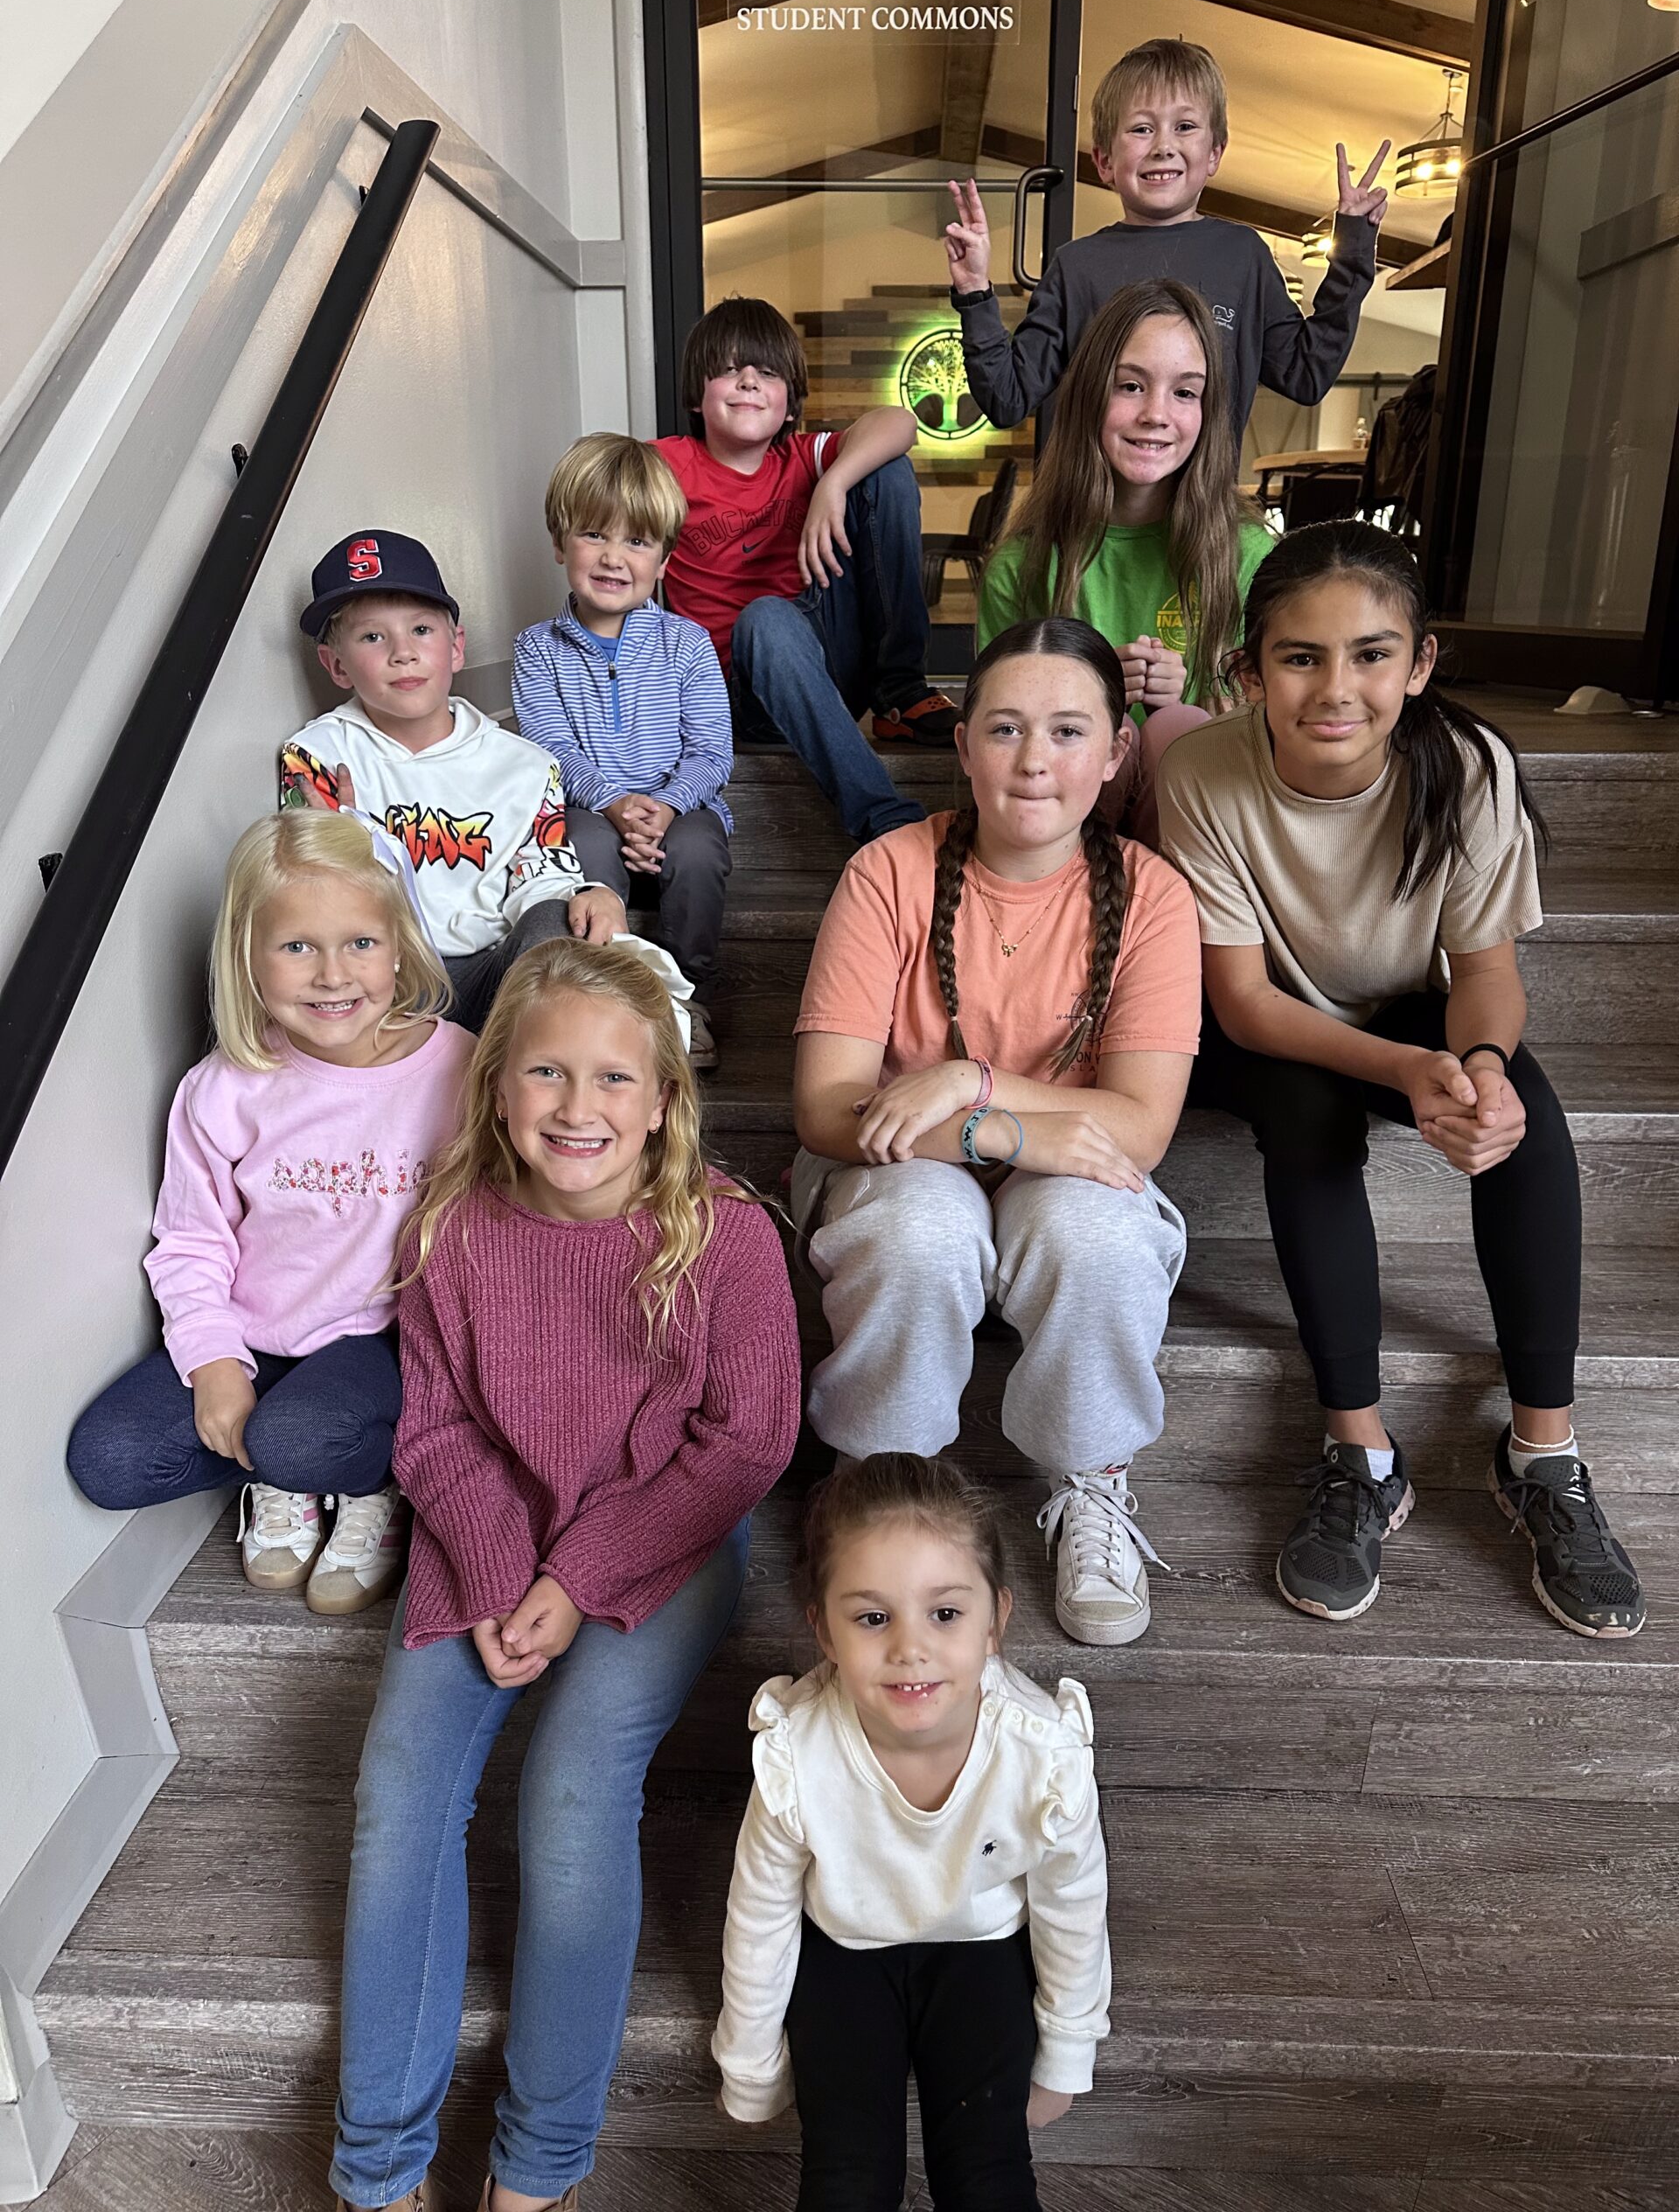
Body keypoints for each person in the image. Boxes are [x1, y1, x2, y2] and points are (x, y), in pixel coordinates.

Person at [330, 939, 802, 2212]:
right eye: (545, 1071)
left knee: (574, 1797)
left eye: (612, 1078)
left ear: (663, 1101)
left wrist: (580, 1573)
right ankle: (378, 2170)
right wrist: (496, 1570)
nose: (577, 1106)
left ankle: (537, 2169)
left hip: (665, 1536)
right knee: (399, 1797)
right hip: (481, 1533)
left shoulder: (728, 1235)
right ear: (497, 1088)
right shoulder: (452, 1227)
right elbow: (434, 1430)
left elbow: (747, 1444)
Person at [1156, 519, 1646, 1637]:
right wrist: (1403, 1068)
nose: (1338, 689)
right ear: (1248, 671)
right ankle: (1361, 1451)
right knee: (1305, 1113)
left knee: (1522, 1111)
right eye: (1301, 657)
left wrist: (1476, 1066)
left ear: (1419, 664)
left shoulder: (1467, 767)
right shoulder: (1203, 773)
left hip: (1410, 1007)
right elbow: (1243, 1003)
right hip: (1264, 1024)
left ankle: (1543, 1451)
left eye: (1372, 654)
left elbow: (1487, 974)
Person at [791, 617, 1201, 1649]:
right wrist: (1003, 1135)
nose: (1033, 760)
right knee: (921, 1226)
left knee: (1096, 1228)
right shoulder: (888, 871)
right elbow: (828, 1108)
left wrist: (973, 1087)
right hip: (893, 1167)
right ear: (964, 743)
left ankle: (1091, 1474)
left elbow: (1140, 1127)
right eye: (1006, 728)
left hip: (1054, 1167)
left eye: (1069, 731)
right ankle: (882, 1483)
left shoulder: (1152, 895)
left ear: (1116, 751)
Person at [67, 813, 468, 1616]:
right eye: (297, 947)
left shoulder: (462, 1068)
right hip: (260, 1337)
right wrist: (215, 1363)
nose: (332, 974)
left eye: (360, 942)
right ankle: (292, 1463)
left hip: (382, 1343)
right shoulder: (221, 1089)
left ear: (399, 946)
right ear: (247, 958)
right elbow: (191, 1243)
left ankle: (369, 1481)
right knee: (108, 1460)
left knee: (297, 1439)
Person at [714, 1452, 1110, 2210]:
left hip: (982, 1951)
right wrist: (752, 2061)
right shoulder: (798, 1753)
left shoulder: (1043, 1756)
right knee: (845, 2183)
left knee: (989, 2178)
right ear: (824, 1633)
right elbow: (759, 1911)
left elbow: (1073, 1904)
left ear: (995, 1620)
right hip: (845, 1953)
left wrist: (1066, 2050)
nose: (909, 1648)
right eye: (873, 1618)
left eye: (945, 1614)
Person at [944, 37, 1388, 440]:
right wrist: (975, 292)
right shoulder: (1075, 266)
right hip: (1093, 501)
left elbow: (1306, 375)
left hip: (1205, 502)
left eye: (1185, 126)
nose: (1162, 146)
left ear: (1214, 153)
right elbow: (1006, 399)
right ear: (1104, 160)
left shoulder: (1243, 255)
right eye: (1142, 129)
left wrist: (1352, 251)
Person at [282, 528, 627, 1035]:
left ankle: (516, 1061)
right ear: (337, 664)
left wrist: (590, 891)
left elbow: (542, 875)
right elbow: (310, 895)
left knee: (555, 919)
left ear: (457, 647)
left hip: (496, 973)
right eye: (372, 637)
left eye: (421, 629)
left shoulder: (526, 765)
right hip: (386, 977)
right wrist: (350, 843)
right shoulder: (317, 756)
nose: (403, 653)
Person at [977, 278, 1273, 845]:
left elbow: (1270, 738)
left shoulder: (1250, 556)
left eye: (1185, 392)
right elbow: (998, 734)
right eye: (1131, 386)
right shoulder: (1021, 565)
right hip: (1063, 830)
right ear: (1090, 396)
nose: (1156, 414)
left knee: (1176, 727)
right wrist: (1088, 692)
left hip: (1205, 835)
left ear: (1209, 411)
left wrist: (1184, 700)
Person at [656, 296, 956, 843]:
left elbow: (900, 422)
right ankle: (888, 826)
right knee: (766, 617)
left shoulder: (803, 458)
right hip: (738, 696)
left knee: (885, 471)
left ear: (790, 405)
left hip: (830, 668)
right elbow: (599, 487)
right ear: (697, 396)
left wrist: (833, 483)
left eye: (767, 373)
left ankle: (900, 692)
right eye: (729, 369)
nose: (749, 382)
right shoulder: (667, 466)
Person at [512, 434, 733, 1072]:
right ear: (560, 543)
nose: (614, 557)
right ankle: (606, 996)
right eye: (593, 535)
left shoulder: (687, 644)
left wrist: (667, 805)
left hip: (679, 809)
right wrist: (611, 802)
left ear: (664, 559)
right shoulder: (537, 649)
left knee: (698, 850)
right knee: (581, 845)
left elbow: (712, 750)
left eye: (636, 541)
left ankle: (685, 997)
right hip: (590, 809)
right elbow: (549, 749)